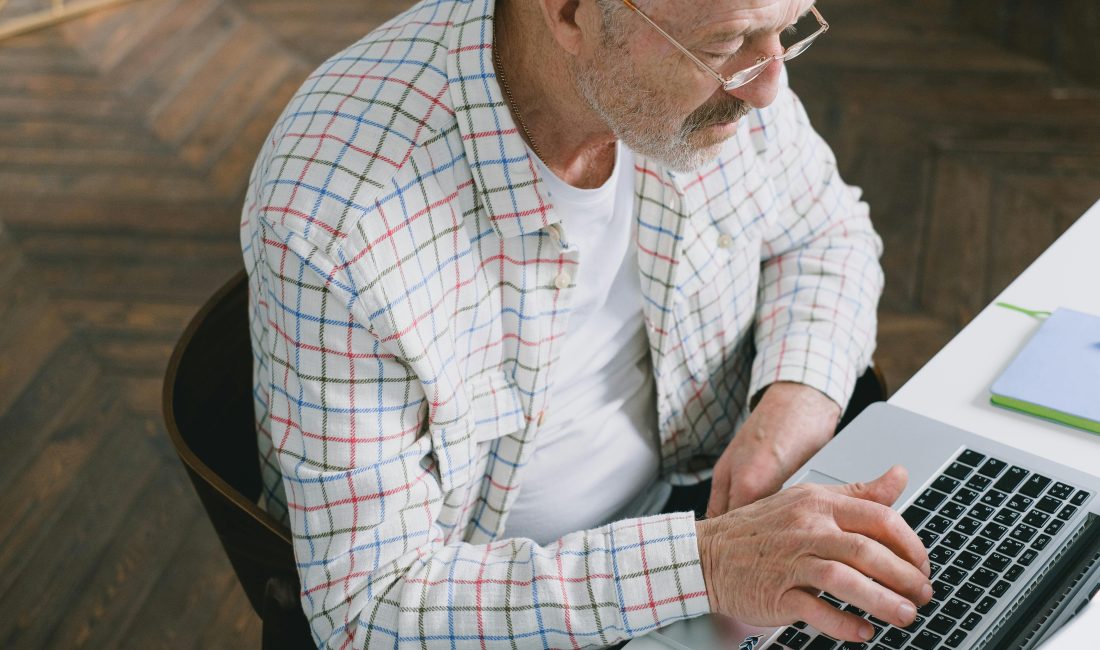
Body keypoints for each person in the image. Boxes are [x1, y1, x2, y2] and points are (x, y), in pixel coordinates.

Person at [240, 0, 932, 646]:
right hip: (503, 616)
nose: (767, 89)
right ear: (571, 12)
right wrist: (708, 564)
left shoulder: (726, 62)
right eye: (727, 43)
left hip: (701, 511)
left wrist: (789, 410)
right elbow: (368, 606)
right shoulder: (336, 224)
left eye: (788, 26)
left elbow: (825, 234)